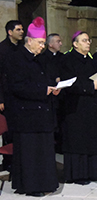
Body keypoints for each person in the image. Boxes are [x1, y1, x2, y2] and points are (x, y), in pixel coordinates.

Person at [5, 17, 59, 197]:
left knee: (42, 151)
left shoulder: (40, 59)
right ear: (29, 41)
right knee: (29, 154)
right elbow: (17, 86)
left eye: (44, 43)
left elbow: (45, 79)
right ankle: (31, 186)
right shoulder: (16, 58)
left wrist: (54, 87)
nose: (42, 46)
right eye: (40, 43)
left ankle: (45, 183)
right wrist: (44, 89)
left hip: (42, 112)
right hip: (26, 115)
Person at [60, 31, 97, 184]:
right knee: (78, 141)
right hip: (75, 107)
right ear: (75, 43)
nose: (88, 43)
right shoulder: (67, 60)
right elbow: (69, 84)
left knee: (91, 138)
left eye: (89, 40)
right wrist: (91, 86)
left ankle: (92, 172)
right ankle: (78, 175)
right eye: (84, 40)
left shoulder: (90, 60)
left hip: (91, 106)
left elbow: (95, 77)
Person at [0, 20, 24, 171]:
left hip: (20, 96)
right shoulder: (1, 49)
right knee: (8, 131)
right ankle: (8, 162)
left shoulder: (22, 48)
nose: (22, 32)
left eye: (22, 29)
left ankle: (20, 160)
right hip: (6, 96)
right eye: (18, 29)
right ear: (10, 32)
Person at [38, 33, 64, 153]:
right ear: (50, 44)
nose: (61, 44)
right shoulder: (41, 59)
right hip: (50, 95)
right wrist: (54, 81)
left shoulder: (63, 57)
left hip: (63, 94)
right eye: (58, 41)